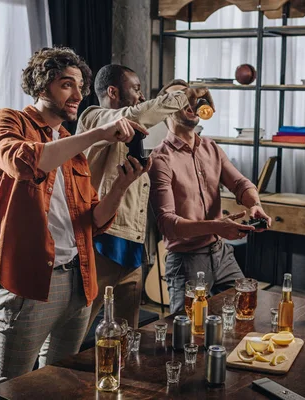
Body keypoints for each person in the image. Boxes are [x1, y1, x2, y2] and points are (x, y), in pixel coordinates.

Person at [0, 47, 147, 397]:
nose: (77, 95)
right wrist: (98, 133)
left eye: (81, 86)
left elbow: (92, 221)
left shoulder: (70, 149)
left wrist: (121, 185)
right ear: (42, 86)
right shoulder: (8, 121)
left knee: (61, 380)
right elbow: (24, 162)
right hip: (31, 281)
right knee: (5, 388)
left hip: (80, 277)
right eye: (66, 85)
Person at [76, 65, 213, 328]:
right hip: (100, 244)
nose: (141, 96)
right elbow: (135, 114)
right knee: (77, 330)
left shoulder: (141, 131)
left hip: (133, 247)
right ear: (113, 92)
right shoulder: (93, 117)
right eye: (136, 89)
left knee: (127, 332)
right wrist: (185, 94)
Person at [148, 79, 272, 314]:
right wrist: (216, 226)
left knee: (244, 313)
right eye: (179, 98)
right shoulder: (160, 160)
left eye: (191, 97)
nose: (190, 101)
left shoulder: (211, 147)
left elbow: (240, 184)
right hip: (186, 261)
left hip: (221, 253)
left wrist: (255, 205)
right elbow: (167, 224)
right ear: (165, 110)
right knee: (187, 335)